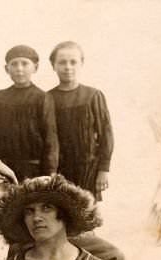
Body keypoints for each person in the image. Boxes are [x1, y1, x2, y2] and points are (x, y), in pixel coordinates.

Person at [48, 41, 114, 200]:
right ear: (53, 65)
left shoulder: (93, 96)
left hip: (87, 168)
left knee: (86, 215)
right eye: (62, 62)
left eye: (73, 62)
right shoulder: (48, 98)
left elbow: (106, 134)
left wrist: (103, 170)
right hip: (59, 169)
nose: (68, 67)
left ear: (81, 64)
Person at [0, 45, 58, 181]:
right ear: (6, 69)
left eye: (24, 64)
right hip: (5, 168)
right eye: (14, 64)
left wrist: (50, 173)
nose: (19, 69)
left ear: (35, 67)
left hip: (34, 168)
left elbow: (50, 138)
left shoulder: (42, 97)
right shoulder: (1, 97)